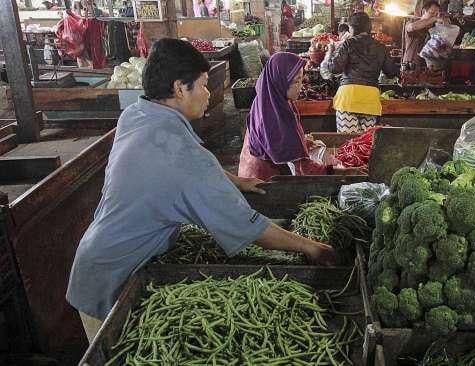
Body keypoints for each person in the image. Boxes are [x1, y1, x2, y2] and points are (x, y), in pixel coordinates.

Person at [66, 39, 336, 341]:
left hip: (99, 253)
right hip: (110, 281)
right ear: (181, 88)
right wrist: (312, 247)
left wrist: (236, 180)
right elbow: (246, 225)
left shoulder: (138, 115)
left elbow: (181, 162)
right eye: (204, 85)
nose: (209, 94)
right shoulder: (185, 156)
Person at [238, 52, 359, 180]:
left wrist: (303, 143)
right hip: (262, 178)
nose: (300, 87)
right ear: (280, 81)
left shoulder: (269, 99)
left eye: (301, 79)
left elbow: (274, 142)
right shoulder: (275, 119)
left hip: (253, 166)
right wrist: (337, 172)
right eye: (296, 81)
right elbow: (305, 170)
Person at [325, 12, 399, 133]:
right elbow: (391, 72)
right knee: (365, 144)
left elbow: (334, 68)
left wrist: (331, 51)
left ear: (352, 28)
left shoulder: (348, 43)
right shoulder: (381, 47)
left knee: (348, 144)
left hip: (348, 98)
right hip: (370, 100)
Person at [402, 0, 443, 69]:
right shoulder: (411, 22)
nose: (436, 16)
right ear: (424, 12)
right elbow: (412, 27)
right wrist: (434, 18)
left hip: (428, 68)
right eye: (432, 13)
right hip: (411, 67)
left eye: (437, 14)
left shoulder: (434, 28)